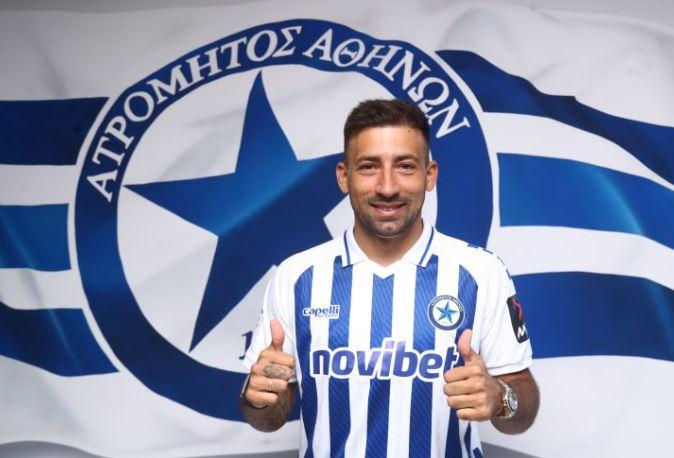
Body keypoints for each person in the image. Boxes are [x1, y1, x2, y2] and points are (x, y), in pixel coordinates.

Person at [240, 99, 540, 457]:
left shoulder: (480, 271)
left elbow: (523, 406)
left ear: (430, 175)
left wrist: (500, 398)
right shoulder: (296, 276)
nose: (387, 187)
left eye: (405, 166)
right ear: (344, 176)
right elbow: (267, 417)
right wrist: (259, 399)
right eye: (369, 166)